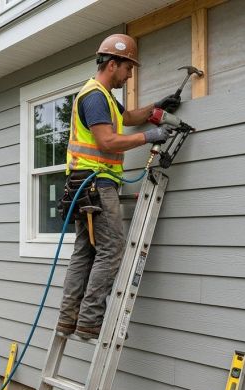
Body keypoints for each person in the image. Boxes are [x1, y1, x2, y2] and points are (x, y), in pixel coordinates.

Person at [56, 34, 180, 340]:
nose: (130, 75)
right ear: (113, 64)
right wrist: (150, 137)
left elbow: (125, 117)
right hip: (95, 183)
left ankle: (68, 318)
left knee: (85, 252)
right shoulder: (96, 96)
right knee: (111, 250)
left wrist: (156, 108)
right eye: (128, 69)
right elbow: (107, 141)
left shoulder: (102, 96)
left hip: (84, 184)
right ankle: (90, 321)